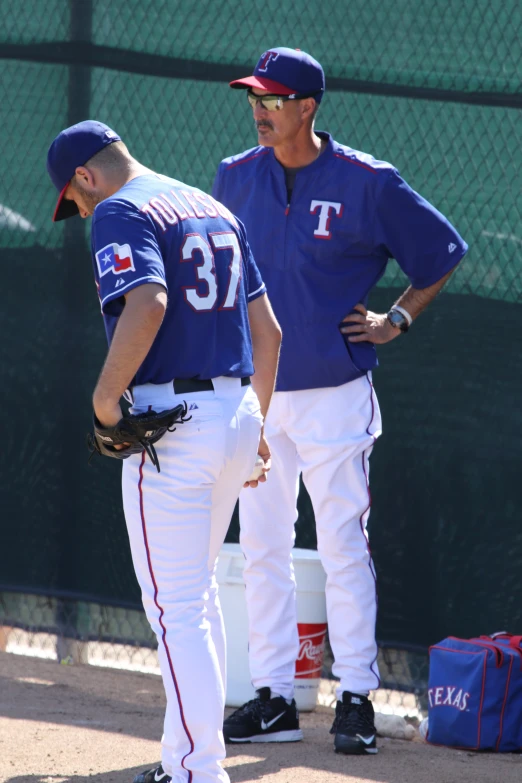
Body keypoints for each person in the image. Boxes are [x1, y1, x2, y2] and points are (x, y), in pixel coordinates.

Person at [212, 47, 468, 755]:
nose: (259, 111)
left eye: (272, 99)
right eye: (253, 99)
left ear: (308, 107)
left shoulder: (367, 181)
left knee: (340, 546)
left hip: (335, 393)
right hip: (256, 396)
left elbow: (441, 251)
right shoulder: (233, 177)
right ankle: (274, 697)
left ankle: (355, 692)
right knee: (261, 544)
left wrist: (398, 319)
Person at [46, 120, 282, 783]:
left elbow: (147, 302)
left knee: (175, 608)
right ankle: (186, 761)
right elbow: (269, 332)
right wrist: (255, 422)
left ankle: (200, 772)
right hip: (235, 410)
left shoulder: (121, 208)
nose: (82, 210)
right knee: (196, 599)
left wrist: (103, 398)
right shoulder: (211, 206)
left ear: (86, 177)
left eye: (76, 198)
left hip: (173, 422)